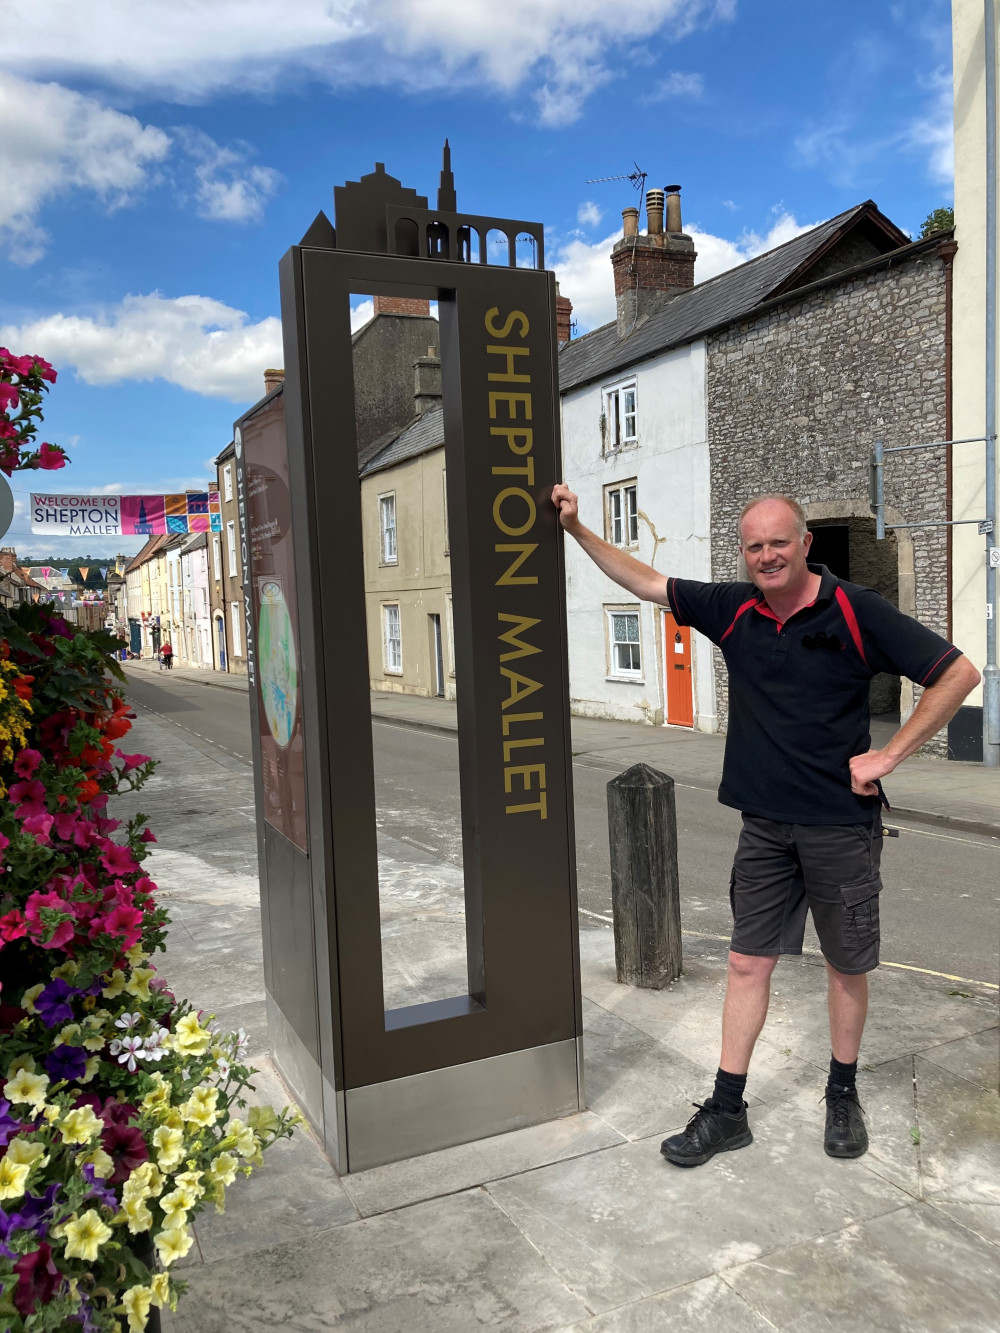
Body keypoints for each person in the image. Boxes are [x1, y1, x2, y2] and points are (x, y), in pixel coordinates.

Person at [551, 484, 981, 1165]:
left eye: (779, 542)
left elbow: (957, 672)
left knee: (846, 965)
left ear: (805, 543)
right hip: (765, 828)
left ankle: (842, 1090)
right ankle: (727, 1108)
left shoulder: (855, 610)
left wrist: (891, 754)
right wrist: (576, 528)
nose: (767, 555)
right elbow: (646, 580)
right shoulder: (733, 608)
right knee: (747, 961)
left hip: (840, 824)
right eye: (754, 545)